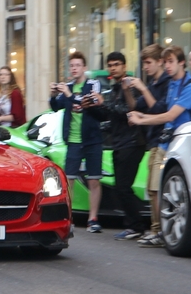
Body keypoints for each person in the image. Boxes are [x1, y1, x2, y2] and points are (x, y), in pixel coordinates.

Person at [128, 46, 191, 245]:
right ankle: (159, 230)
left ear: (181, 63)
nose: (167, 66)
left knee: (171, 192)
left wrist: (141, 120)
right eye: (165, 62)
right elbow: (160, 110)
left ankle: (163, 231)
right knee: (155, 189)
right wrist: (140, 115)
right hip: (165, 141)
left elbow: (170, 116)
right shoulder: (172, 85)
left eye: (171, 61)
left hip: (181, 144)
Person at [86, 51, 147, 240]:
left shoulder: (131, 86)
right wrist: (91, 108)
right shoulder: (114, 89)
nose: (113, 68)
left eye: (117, 64)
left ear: (124, 66)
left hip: (133, 142)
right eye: (110, 65)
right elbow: (109, 118)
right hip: (119, 143)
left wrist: (104, 103)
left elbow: (129, 110)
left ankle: (136, 225)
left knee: (123, 187)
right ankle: (134, 225)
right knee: (121, 188)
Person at [49, 51, 104, 233]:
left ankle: (93, 219)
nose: (74, 68)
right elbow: (56, 107)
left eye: (78, 65)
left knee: (94, 180)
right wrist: (52, 95)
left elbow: (88, 103)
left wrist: (69, 94)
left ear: (85, 68)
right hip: (73, 141)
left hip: (92, 140)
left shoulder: (92, 85)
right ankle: (68, 218)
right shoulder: (68, 87)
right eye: (71, 65)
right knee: (69, 180)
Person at [124, 44, 170, 247]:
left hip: (164, 139)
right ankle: (156, 230)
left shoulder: (167, 83)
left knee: (155, 189)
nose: (146, 67)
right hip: (152, 140)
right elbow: (136, 106)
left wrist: (142, 88)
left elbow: (159, 110)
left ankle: (158, 231)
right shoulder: (153, 83)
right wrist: (127, 90)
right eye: (144, 63)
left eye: (149, 62)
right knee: (153, 190)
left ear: (160, 61)